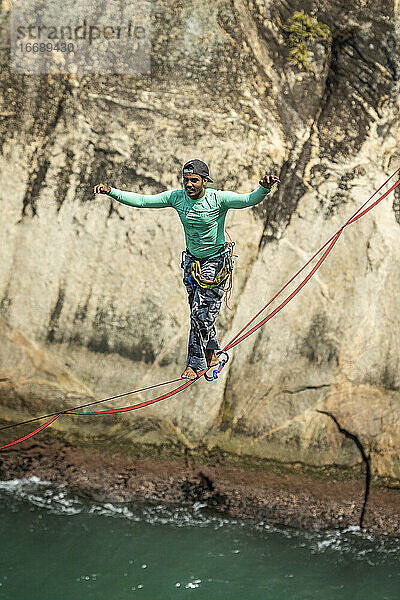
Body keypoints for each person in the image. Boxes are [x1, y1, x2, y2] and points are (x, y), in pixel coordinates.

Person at [93, 159, 280, 380]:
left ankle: (195, 364)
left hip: (215, 263)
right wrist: (111, 191)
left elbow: (248, 199)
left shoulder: (218, 199)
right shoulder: (177, 198)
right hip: (192, 264)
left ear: (204, 181)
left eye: (194, 180)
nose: (189, 184)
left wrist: (264, 188)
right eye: (186, 180)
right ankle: (211, 354)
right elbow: (143, 201)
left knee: (200, 315)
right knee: (201, 312)